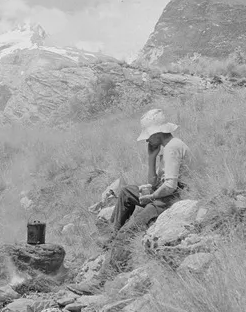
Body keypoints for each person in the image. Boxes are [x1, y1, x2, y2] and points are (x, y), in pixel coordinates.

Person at [70, 109, 190, 293]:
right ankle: (112, 235)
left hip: (169, 200)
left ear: (158, 133)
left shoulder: (173, 149)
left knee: (127, 233)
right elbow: (154, 182)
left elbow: (171, 186)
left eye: (149, 137)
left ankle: (101, 280)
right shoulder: (165, 148)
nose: (147, 141)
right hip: (163, 195)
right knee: (127, 192)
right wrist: (151, 158)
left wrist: (151, 196)